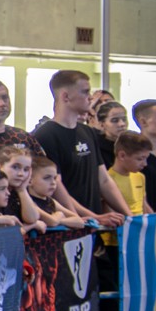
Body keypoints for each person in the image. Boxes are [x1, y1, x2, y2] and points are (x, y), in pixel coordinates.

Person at [33, 70, 129, 225]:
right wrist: (86, 218)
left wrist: (130, 216)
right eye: (85, 92)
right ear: (65, 96)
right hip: (70, 226)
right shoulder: (46, 135)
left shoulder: (87, 132)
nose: (90, 97)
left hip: (93, 223)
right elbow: (56, 187)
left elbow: (104, 180)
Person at [92, 100, 130, 168]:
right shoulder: (95, 149)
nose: (122, 124)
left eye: (124, 119)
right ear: (102, 124)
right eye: (115, 120)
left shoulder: (133, 144)